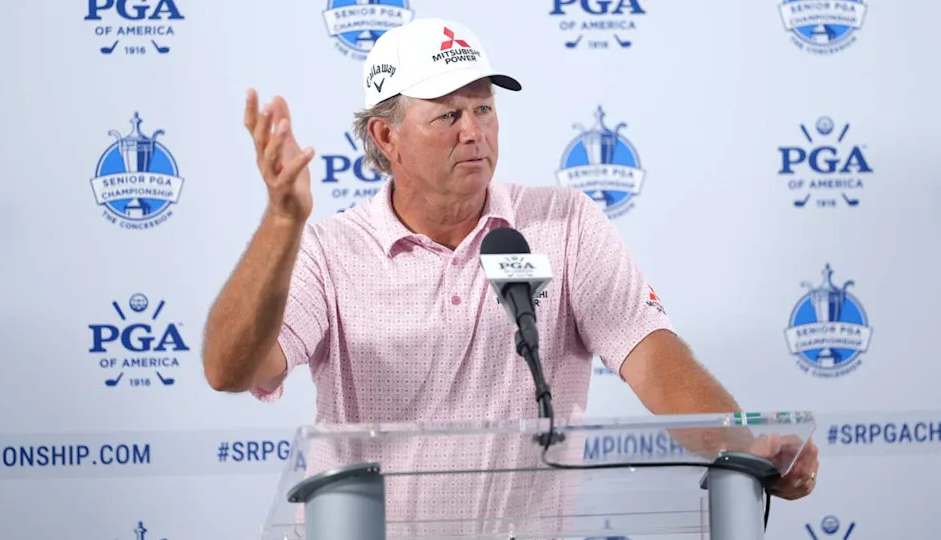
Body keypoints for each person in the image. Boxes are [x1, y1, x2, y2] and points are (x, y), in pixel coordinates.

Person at [201, 17, 818, 502]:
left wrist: (747, 447)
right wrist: (284, 221)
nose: (474, 131)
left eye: (484, 109)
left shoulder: (566, 223)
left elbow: (655, 362)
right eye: (448, 114)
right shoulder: (329, 251)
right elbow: (233, 370)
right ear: (386, 137)